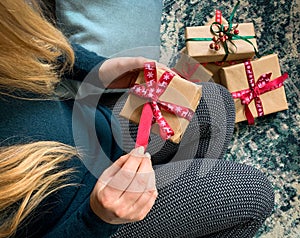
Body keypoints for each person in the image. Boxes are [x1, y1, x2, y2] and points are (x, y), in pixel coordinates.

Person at [0, 0, 274, 237]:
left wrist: (103, 69)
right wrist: (97, 219)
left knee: (215, 103)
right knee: (252, 195)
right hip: (83, 216)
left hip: (92, 131)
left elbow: (27, 47)